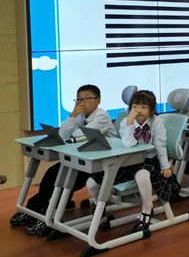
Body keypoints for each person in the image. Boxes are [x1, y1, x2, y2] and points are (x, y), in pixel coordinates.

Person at [11, 85, 118, 234]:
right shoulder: (80, 115)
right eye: (79, 99)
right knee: (52, 174)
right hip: (84, 157)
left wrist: (73, 126)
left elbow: (79, 135)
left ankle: (53, 215)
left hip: (103, 163)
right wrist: (73, 115)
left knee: (67, 179)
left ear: (98, 101)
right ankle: (35, 208)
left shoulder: (102, 116)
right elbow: (63, 133)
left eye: (87, 99)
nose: (82, 103)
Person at [86, 90, 180, 234]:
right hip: (129, 160)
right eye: (135, 107)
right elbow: (128, 144)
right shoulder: (126, 121)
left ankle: (147, 210)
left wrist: (165, 166)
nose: (138, 111)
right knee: (91, 183)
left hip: (150, 160)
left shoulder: (157, 122)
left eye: (143, 107)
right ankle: (99, 205)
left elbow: (160, 145)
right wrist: (130, 122)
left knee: (142, 175)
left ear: (151, 109)